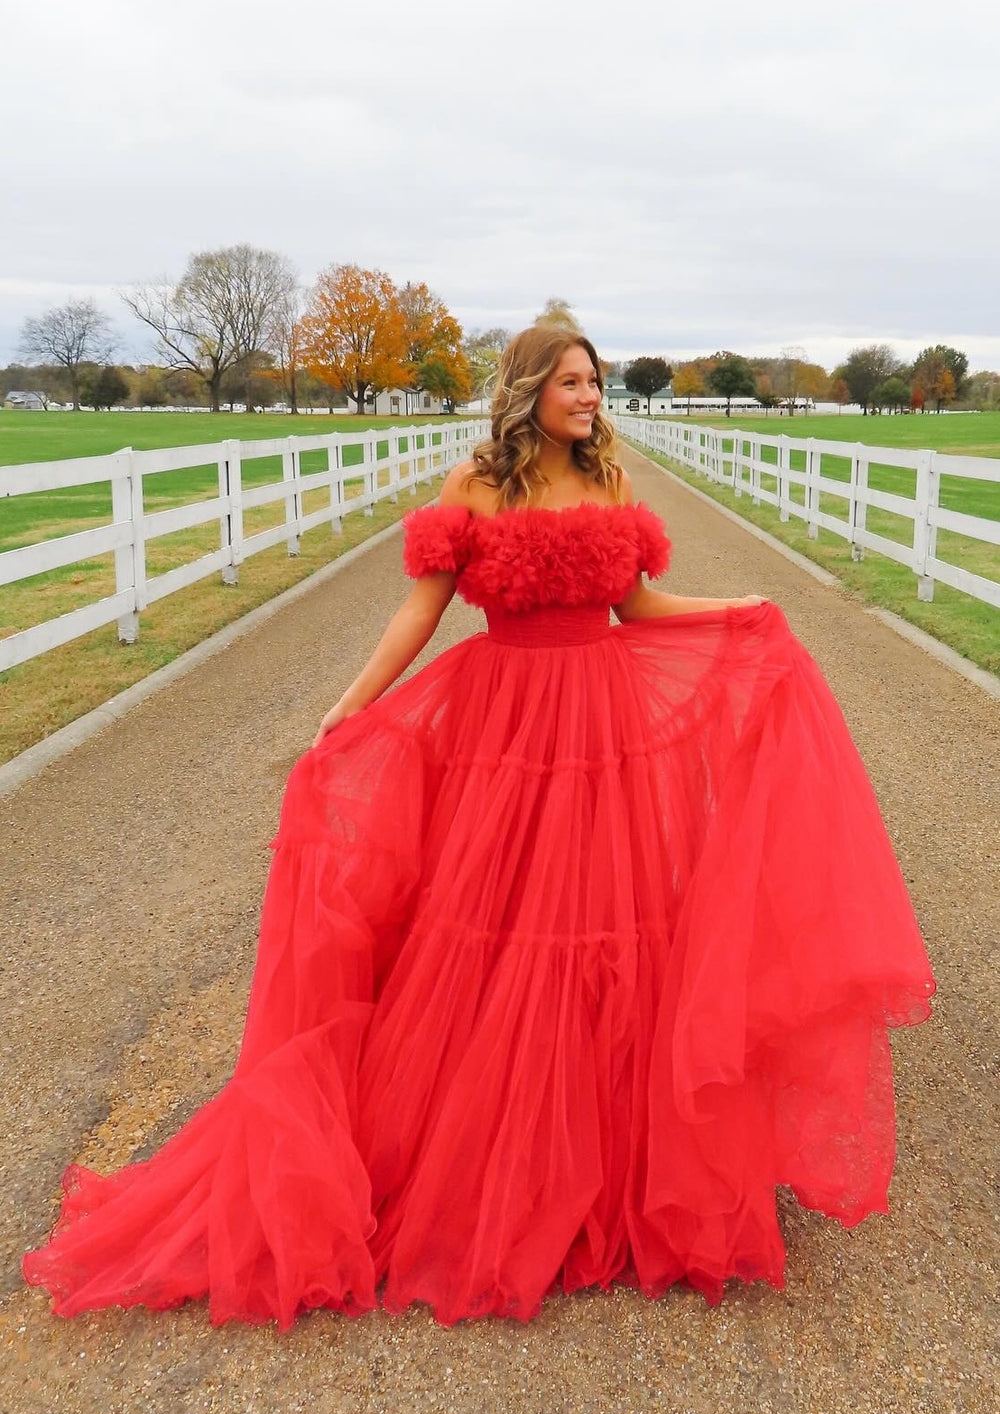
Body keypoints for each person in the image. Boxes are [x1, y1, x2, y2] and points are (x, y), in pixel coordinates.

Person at [23, 326, 934, 1330]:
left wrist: (742, 609)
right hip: (503, 736)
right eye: (574, 381)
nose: (591, 395)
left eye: (595, 381)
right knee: (490, 939)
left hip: (601, 738)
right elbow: (419, 612)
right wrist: (351, 704)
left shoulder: (607, 486)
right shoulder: (472, 486)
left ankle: (599, 1165)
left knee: (609, 928)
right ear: (530, 389)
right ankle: (488, 1165)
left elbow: (638, 607)